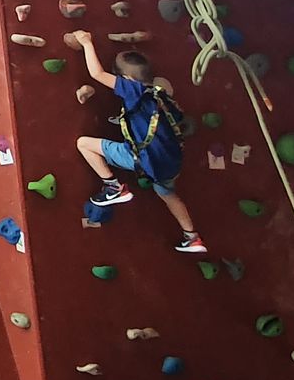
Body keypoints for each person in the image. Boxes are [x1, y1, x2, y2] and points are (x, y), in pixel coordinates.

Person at [66, 30, 205, 255]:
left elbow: (98, 73)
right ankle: (192, 237)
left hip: (144, 159)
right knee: (169, 195)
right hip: (171, 163)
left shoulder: (134, 90)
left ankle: (112, 187)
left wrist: (86, 43)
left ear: (127, 80)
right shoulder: (161, 95)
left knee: (84, 144)